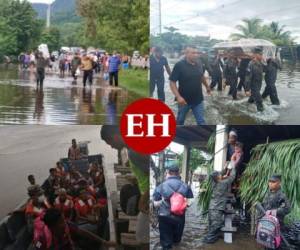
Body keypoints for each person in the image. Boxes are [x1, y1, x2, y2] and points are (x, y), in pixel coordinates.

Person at [153, 165, 193, 250]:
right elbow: (190, 202)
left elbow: (155, 203)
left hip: (164, 217)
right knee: (176, 241)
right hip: (179, 217)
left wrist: (164, 201)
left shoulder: (161, 186)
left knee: (166, 244)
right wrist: (180, 204)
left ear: (168, 173)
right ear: (178, 173)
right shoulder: (185, 186)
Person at [170, 46, 211, 125]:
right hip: (184, 101)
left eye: (197, 53)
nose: (196, 55)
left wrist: (207, 87)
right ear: (186, 54)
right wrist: (178, 97)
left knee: (201, 122)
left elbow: (201, 76)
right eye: (193, 53)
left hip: (198, 99)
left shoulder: (199, 64)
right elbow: (172, 82)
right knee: (180, 121)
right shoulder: (179, 65)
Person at [202, 165, 236, 244]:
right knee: (216, 225)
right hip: (217, 208)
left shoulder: (213, 182)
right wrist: (233, 167)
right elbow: (232, 177)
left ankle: (213, 237)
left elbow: (220, 175)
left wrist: (225, 168)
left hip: (212, 207)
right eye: (219, 175)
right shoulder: (223, 183)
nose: (221, 175)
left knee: (212, 224)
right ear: (218, 177)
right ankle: (208, 240)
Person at [245, 47, 265, 112]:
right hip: (253, 85)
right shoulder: (251, 64)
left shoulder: (261, 63)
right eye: (261, 54)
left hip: (259, 84)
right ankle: (263, 116)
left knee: (253, 98)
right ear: (256, 55)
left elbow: (265, 70)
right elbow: (248, 77)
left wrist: (265, 61)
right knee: (259, 100)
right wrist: (247, 89)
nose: (262, 56)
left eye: (262, 54)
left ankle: (248, 104)